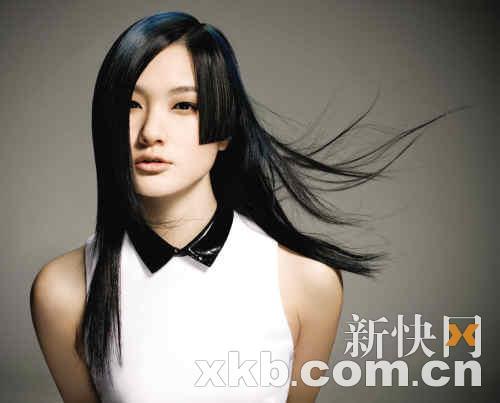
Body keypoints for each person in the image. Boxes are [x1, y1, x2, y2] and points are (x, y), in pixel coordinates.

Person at [29, 11, 460, 403]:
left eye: (184, 105)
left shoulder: (308, 283)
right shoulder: (62, 292)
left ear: (224, 129)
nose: (151, 132)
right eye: (130, 105)